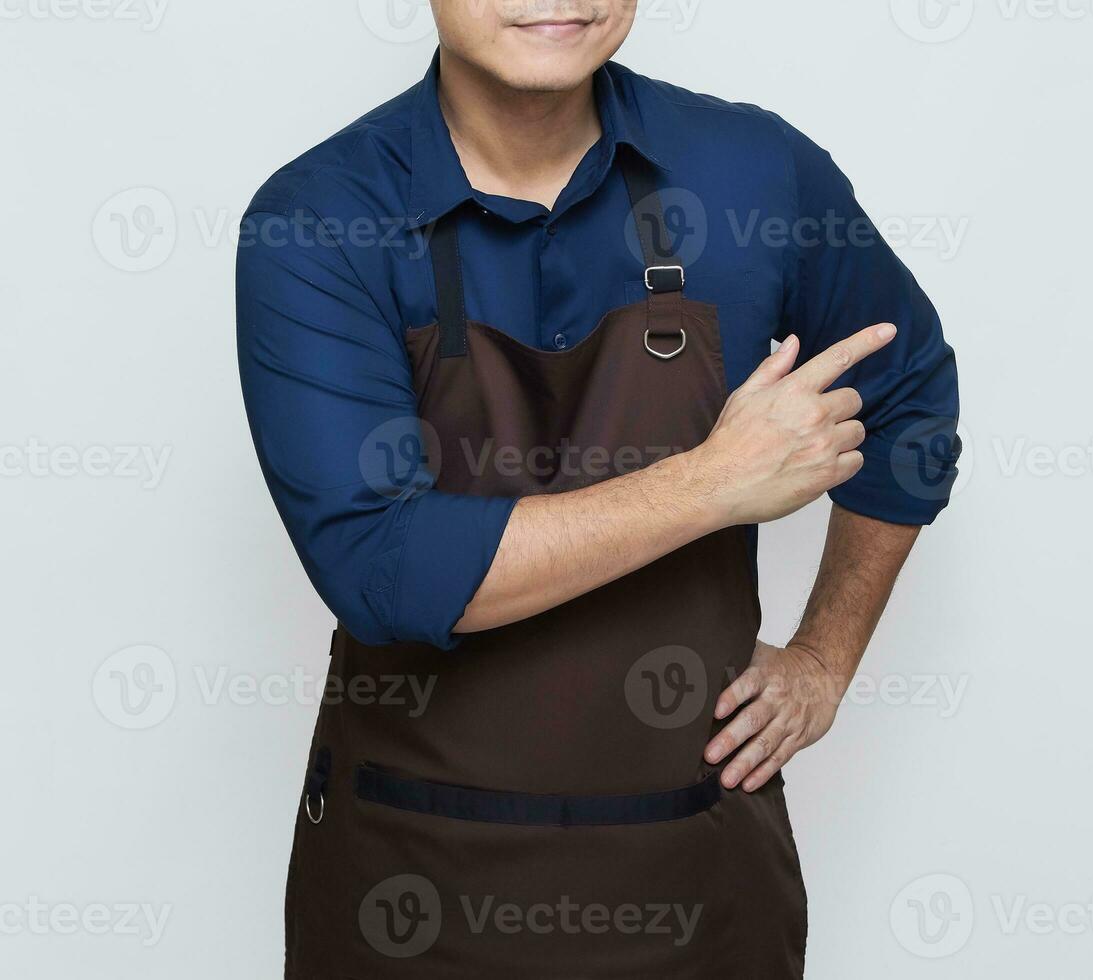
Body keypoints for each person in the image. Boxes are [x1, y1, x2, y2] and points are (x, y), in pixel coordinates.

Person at [236, 2, 961, 976]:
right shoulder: (321, 219)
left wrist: (825, 658)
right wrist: (709, 483)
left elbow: (910, 398)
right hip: (409, 892)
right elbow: (385, 567)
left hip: (698, 883)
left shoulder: (753, 175)